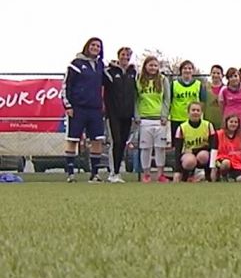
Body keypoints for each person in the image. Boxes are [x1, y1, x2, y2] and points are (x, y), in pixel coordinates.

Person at [62, 37, 106, 183]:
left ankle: (94, 174)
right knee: (73, 139)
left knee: (97, 140)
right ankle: (70, 174)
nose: (95, 48)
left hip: (95, 109)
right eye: (93, 45)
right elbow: (66, 85)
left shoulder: (100, 65)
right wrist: (68, 106)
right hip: (78, 108)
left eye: (98, 46)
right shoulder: (76, 64)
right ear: (87, 46)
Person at [103, 46, 137, 183]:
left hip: (127, 114)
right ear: (119, 56)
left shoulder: (133, 73)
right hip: (113, 114)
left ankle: (118, 173)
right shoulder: (110, 72)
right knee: (115, 142)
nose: (125, 57)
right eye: (123, 54)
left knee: (123, 143)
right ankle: (113, 172)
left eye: (128, 55)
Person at [135, 56, 171, 183]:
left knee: (160, 148)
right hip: (144, 119)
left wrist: (164, 115)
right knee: (146, 148)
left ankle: (160, 174)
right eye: (150, 65)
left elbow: (167, 99)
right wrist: (137, 115)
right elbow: (136, 99)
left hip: (159, 120)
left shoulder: (162, 79)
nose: (153, 68)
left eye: (155, 65)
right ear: (145, 66)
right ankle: (146, 174)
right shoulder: (139, 79)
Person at [173, 101, 216, 182]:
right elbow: (177, 150)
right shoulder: (182, 127)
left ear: (201, 113)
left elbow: (213, 146)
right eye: (193, 110)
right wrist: (177, 171)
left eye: (198, 110)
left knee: (203, 156)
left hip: (203, 153)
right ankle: (186, 176)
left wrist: (213, 168)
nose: (195, 112)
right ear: (188, 112)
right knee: (190, 161)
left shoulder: (208, 125)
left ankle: (207, 176)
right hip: (188, 154)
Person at [170, 60, 207, 143]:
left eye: (190, 68)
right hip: (177, 118)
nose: (187, 70)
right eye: (185, 68)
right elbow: (169, 100)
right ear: (181, 70)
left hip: (193, 119)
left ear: (193, 71)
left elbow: (202, 102)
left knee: (192, 142)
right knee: (177, 144)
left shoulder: (198, 84)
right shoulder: (174, 84)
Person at [210, 114, 241, 182]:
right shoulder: (219, 134)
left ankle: (230, 176)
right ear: (226, 123)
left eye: (236, 122)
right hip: (221, 160)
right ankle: (222, 175)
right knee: (226, 163)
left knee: (240, 179)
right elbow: (214, 150)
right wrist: (213, 168)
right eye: (231, 122)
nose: (233, 124)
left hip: (236, 162)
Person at [218, 67, 241, 136]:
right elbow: (221, 105)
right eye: (231, 77)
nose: (234, 79)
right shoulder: (223, 90)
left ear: (239, 77)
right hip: (228, 121)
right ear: (228, 79)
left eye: (235, 76)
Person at [204, 64, 224, 129]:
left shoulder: (226, 89)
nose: (216, 75)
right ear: (210, 74)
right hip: (207, 122)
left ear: (222, 75)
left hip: (222, 123)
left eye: (218, 73)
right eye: (214, 73)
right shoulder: (205, 88)